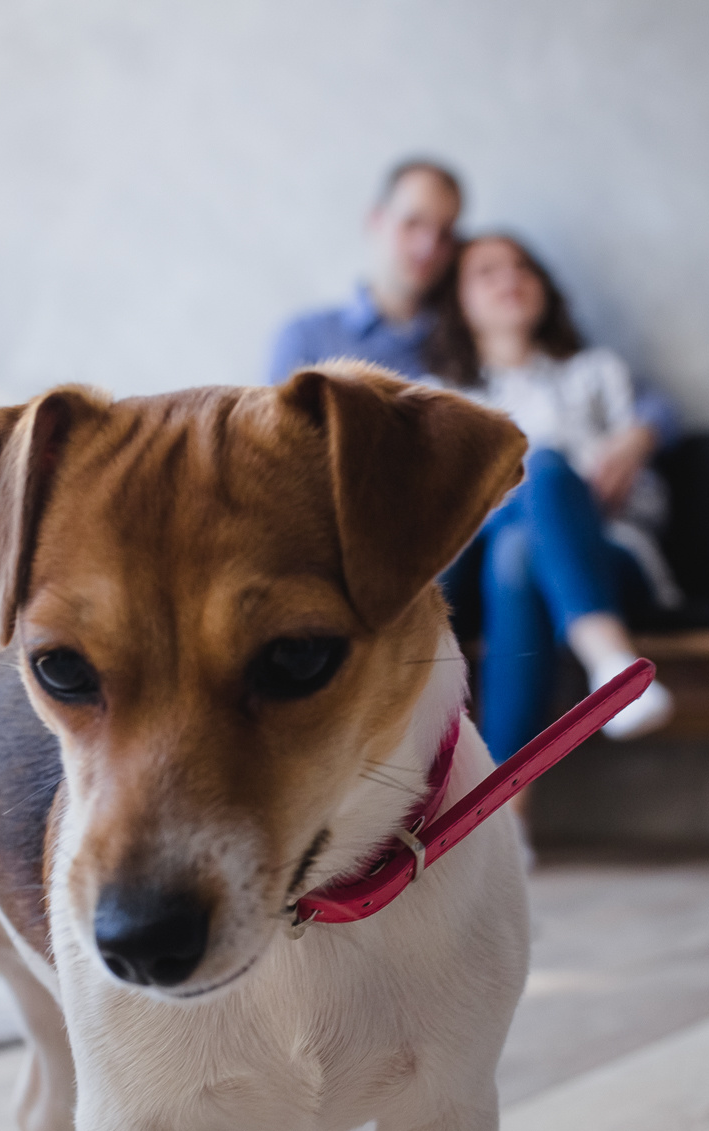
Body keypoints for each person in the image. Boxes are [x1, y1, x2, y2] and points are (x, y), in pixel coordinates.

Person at [425, 232, 677, 760]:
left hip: (609, 553)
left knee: (539, 477)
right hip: (481, 563)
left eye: (522, 267)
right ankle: (610, 663)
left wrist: (589, 492)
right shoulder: (440, 402)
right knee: (516, 544)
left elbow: (651, 498)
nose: (510, 279)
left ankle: (502, 815)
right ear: (459, 301)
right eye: (487, 273)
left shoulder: (598, 374)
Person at [268, 158, 466, 383]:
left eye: (445, 234)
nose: (428, 247)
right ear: (376, 220)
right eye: (413, 223)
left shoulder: (467, 347)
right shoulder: (306, 340)